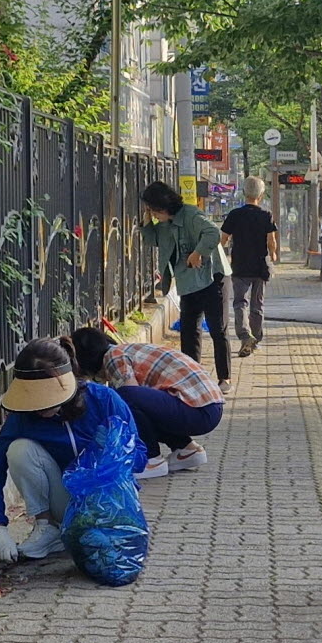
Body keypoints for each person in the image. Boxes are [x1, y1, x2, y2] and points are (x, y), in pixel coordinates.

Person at [0, 337, 147, 562]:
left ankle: (82, 534)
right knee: (19, 449)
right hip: (66, 501)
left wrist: (113, 450)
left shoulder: (104, 400)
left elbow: (141, 455)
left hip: (110, 502)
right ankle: (47, 528)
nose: (39, 408)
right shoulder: (22, 419)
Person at [70, 326, 224, 477]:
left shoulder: (113, 356)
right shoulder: (128, 350)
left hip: (197, 409)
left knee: (123, 399)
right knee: (139, 407)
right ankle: (185, 449)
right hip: (209, 407)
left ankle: (151, 459)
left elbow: (129, 402)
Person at [139, 181, 231, 391]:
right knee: (189, 331)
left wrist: (198, 252)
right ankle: (192, 376)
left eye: (152, 210)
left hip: (211, 277)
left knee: (218, 329)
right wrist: (146, 220)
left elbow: (212, 233)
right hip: (188, 281)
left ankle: (224, 378)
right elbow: (152, 239)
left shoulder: (191, 216)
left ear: (162, 207)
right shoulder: (163, 223)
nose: (153, 214)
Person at [223, 178, 278, 357]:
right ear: (260, 196)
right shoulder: (266, 215)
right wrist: (274, 254)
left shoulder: (234, 215)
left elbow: (222, 239)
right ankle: (256, 338)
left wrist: (222, 255)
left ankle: (245, 336)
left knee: (240, 302)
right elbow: (271, 241)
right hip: (260, 266)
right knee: (257, 304)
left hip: (239, 265)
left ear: (244, 193)